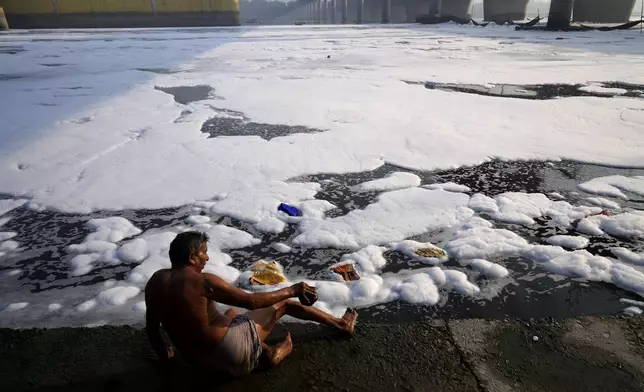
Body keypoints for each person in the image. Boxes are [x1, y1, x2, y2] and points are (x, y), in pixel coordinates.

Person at [145, 231, 357, 377]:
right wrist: (293, 289)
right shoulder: (202, 281)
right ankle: (339, 326)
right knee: (284, 304)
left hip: (198, 364)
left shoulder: (155, 281)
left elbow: (152, 329)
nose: (207, 257)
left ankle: (258, 350)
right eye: (204, 252)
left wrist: (166, 356)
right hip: (231, 356)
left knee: (231, 312)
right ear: (192, 257)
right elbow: (253, 301)